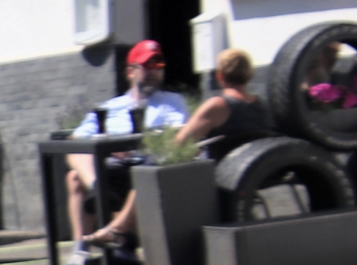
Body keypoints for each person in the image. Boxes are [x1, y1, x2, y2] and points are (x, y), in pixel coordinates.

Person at [80, 49, 271, 252]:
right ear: (250, 74)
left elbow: (181, 142)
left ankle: (119, 229)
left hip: (215, 174)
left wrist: (156, 151)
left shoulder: (218, 105)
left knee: (149, 168)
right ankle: (122, 236)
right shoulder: (260, 105)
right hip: (254, 173)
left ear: (220, 76)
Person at [62, 38, 187, 265]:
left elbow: (175, 138)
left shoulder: (173, 103)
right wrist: (109, 145)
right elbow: (76, 140)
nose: (152, 72)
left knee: (144, 171)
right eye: (146, 66)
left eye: (157, 66)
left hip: (144, 166)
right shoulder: (110, 107)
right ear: (130, 71)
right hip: (111, 169)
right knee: (74, 174)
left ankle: (106, 213)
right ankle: (81, 247)